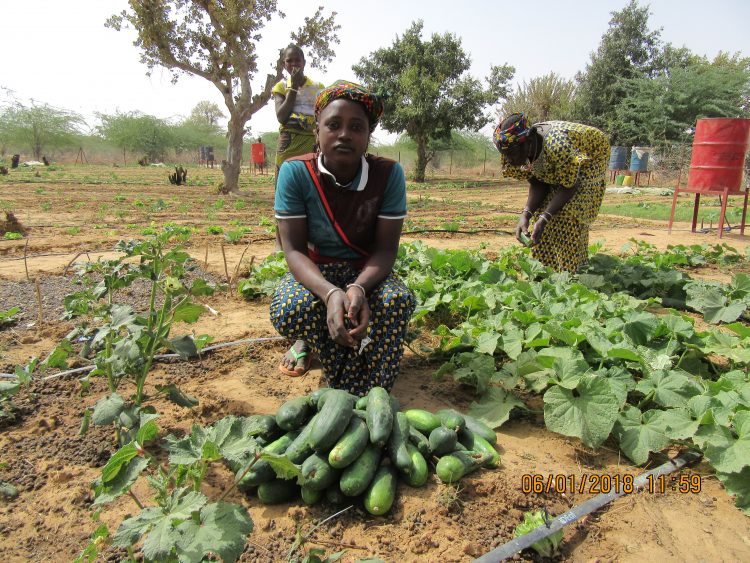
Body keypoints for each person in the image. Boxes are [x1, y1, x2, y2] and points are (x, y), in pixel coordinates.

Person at [270, 80, 416, 396]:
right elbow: (294, 250)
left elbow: (386, 249)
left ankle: (366, 365)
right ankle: (310, 341)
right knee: (292, 308)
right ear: (317, 132)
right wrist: (330, 293)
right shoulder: (295, 173)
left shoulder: (389, 174)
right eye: (333, 125)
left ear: (367, 136)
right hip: (317, 272)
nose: (344, 134)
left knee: (396, 301)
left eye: (356, 127)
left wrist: (358, 288)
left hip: (366, 272)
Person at [494, 113, 609, 273]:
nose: (509, 160)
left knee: (569, 216)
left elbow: (570, 185)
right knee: (540, 216)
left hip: (587, 156)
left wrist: (545, 218)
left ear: (528, 141)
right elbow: (537, 181)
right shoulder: (511, 149)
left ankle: (571, 274)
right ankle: (544, 272)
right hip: (564, 158)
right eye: (505, 155)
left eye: (512, 154)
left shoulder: (559, 146)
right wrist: (526, 215)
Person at [272, 45, 325, 375]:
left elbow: (322, 116)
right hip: (290, 144)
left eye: (297, 60)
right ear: (284, 64)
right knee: (291, 201)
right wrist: (292, 85)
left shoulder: (317, 88)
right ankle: (290, 246)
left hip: (313, 145)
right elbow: (281, 116)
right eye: (289, 61)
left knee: (317, 203)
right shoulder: (282, 88)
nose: (294, 64)